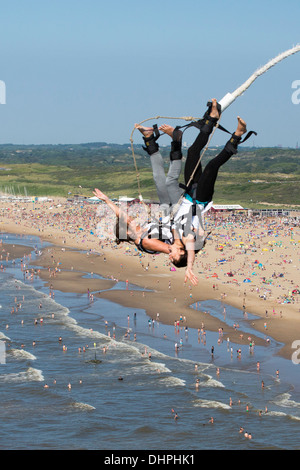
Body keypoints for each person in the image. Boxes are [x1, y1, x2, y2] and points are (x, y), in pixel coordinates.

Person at [93, 99, 249, 284]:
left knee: (192, 152)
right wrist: (189, 267)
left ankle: (211, 119)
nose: (169, 257)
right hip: (200, 200)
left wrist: (106, 200)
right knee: (211, 167)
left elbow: (126, 218)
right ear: (181, 253)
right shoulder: (186, 241)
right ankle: (237, 135)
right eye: (173, 258)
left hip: (187, 196)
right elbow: (189, 252)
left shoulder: (168, 238)